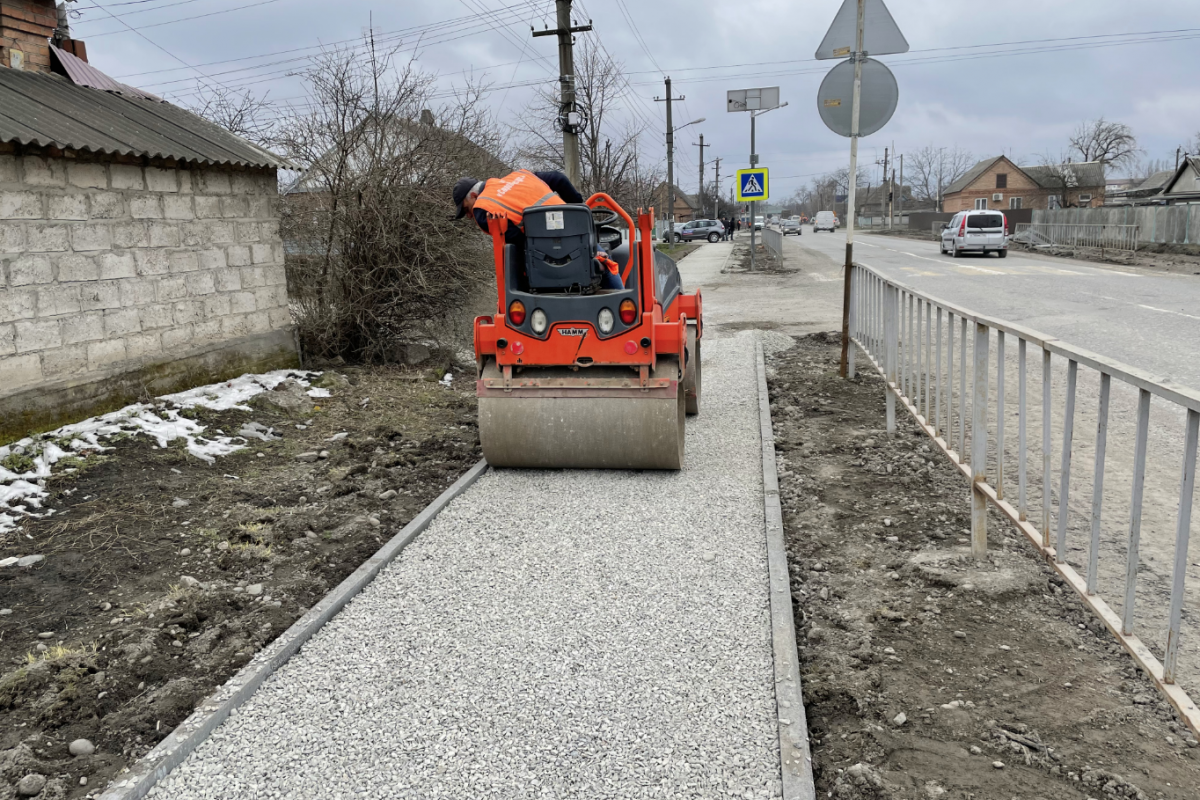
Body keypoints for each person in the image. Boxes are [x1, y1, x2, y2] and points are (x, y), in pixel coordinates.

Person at [453, 169, 622, 290]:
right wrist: (580, 211)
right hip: (577, 238)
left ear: (474, 196)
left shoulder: (482, 208)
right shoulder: (521, 175)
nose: (469, 216)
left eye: (467, 210)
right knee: (606, 264)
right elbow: (558, 178)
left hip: (542, 257)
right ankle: (622, 305)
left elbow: (515, 240)